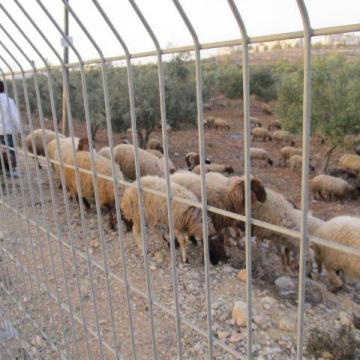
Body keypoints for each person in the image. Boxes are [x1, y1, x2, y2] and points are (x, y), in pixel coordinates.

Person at [0, 80, 20, 177]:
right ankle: (11, 171)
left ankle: (3, 169)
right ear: (3, 88)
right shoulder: (8, 100)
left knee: (2, 150)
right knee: (9, 150)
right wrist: (19, 130)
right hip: (6, 130)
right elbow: (15, 116)